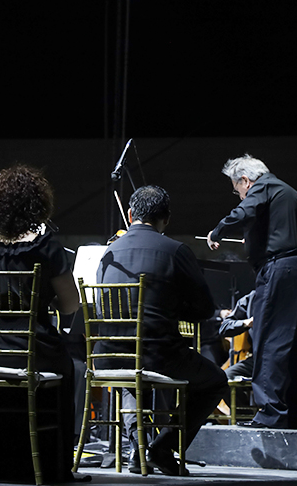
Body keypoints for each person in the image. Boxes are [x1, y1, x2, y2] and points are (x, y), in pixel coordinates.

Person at [96, 185, 228, 476]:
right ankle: (162, 447)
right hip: (157, 355)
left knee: (130, 378)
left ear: (130, 214)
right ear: (166, 219)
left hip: (107, 354)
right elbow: (205, 308)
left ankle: (139, 450)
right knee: (216, 381)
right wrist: (173, 307)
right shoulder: (175, 250)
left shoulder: (109, 252)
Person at [0, 165, 80, 483]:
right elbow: (70, 305)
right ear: (38, 204)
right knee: (70, 365)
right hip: (29, 347)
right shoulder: (44, 245)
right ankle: (50, 463)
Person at [207, 154, 297, 429]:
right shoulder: (289, 193)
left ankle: (270, 414)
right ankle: (291, 415)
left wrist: (217, 231)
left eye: (238, 191)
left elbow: (244, 212)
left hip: (280, 270)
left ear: (245, 180)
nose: (240, 196)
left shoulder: (263, 186)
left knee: (269, 340)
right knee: (294, 344)